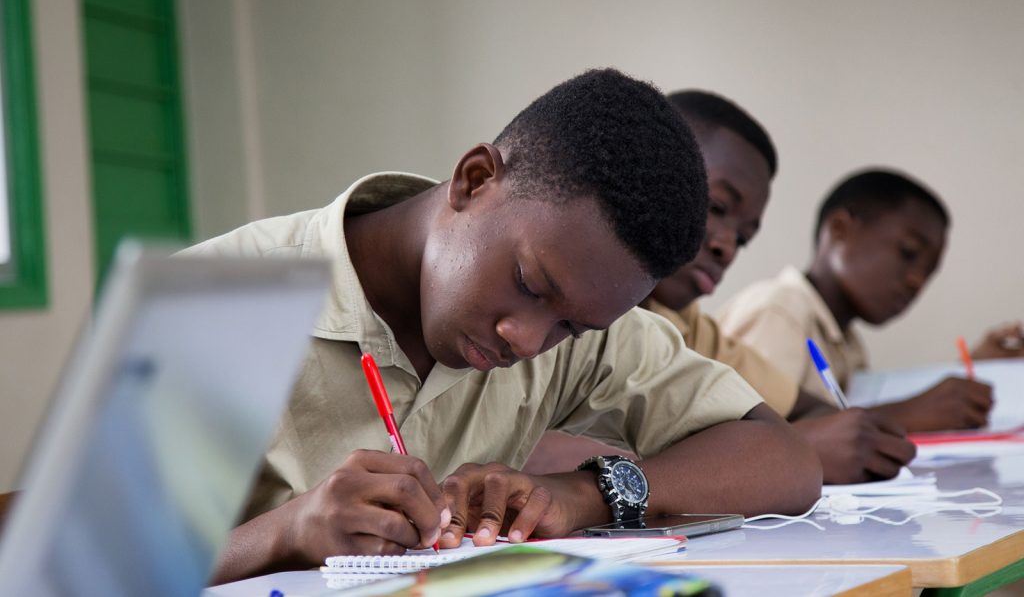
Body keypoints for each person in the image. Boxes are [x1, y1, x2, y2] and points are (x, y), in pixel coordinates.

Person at [181, 69, 821, 583]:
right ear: (475, 179)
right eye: (528, 284)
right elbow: (85, 574)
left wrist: (586, 494)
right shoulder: (218, 300)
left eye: (569, 326)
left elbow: (786, 459)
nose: (528, 340)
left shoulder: (582, 309)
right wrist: (288, 532)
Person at [524, 91, 916, 485]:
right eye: (717, 208)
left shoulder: (687, 326)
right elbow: (531, 453)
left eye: (743, 238)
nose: (726, 246)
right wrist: (779, 453)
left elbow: (810, 413)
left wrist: (775, 446)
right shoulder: (561, 308)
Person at [717, 168, 1023, 433]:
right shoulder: (780, 311)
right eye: (908, 253)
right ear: (840, 229)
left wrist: (968, 373)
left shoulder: (848, 342)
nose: (917, 281)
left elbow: (839, 416)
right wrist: (906, 415)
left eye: (929, 272)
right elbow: (748, 439)